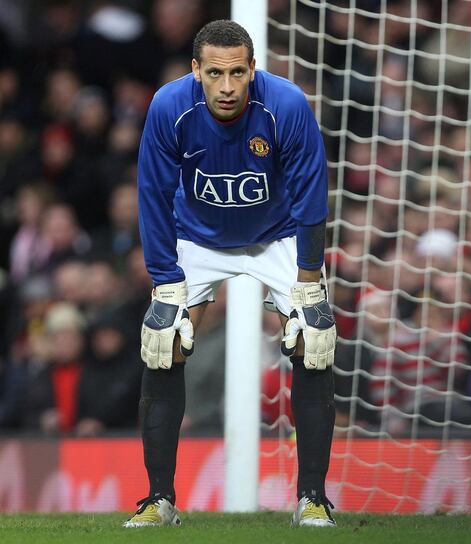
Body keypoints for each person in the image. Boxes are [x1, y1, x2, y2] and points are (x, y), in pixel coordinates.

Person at [125, 20, 337, 528]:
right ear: (196, 70)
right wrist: (164, 277)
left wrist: (309, 279)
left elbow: (311, 197)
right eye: (215, 73)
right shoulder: (169, 107)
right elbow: (152, 194)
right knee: (162, 342)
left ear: (252, 69)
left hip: (277, 234)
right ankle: (159, 500)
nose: (226, 86)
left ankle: (312, 498)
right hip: (195, 237)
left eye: (237, 72)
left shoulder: (285, 105)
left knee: (315, 338)